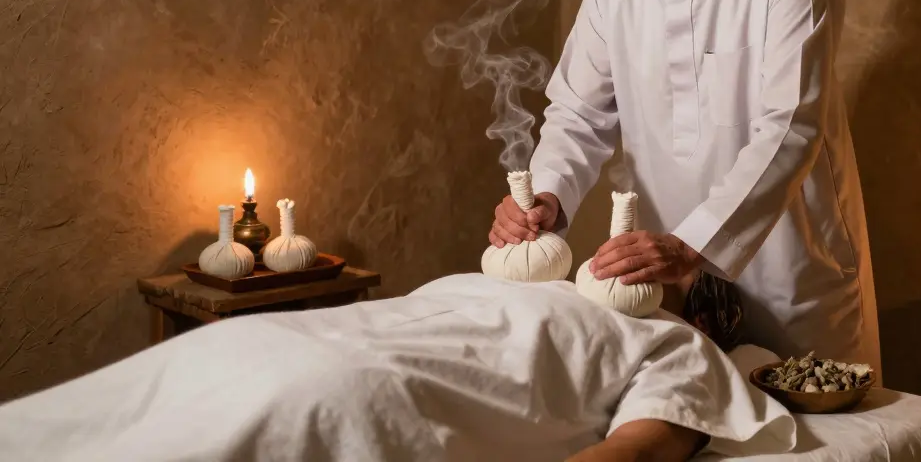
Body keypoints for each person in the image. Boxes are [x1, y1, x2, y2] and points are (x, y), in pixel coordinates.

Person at [489, 0, 880, 369]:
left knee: (812, 440)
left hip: (787, 255)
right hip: (662, 269)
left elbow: (789, 128)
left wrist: (690, 243)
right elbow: (579, 115)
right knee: (686, 420)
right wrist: (546, 195)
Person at [0, 271, 794, 462]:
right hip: (282, 349)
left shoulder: (677, 343)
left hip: (338, 385)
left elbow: (627, 456)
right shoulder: (508, 281)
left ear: (700, 314)